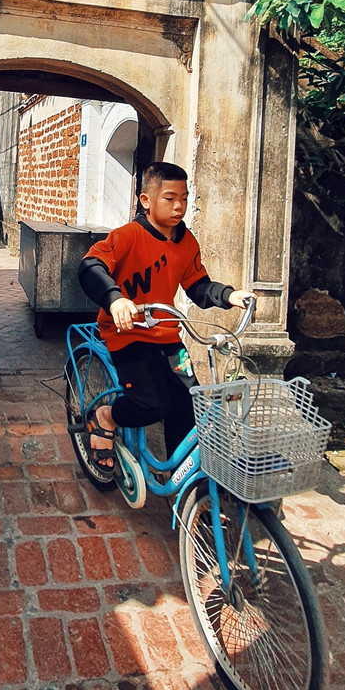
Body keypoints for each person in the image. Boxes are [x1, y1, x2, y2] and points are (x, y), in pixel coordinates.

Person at [77, 161, 254, 467]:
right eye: (170, 198)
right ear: (146, 200)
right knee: (152, 404)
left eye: (184, 198)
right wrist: (115, 300)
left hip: (167, 334)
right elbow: (90, 266)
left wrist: (228, 295)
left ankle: (181, 474)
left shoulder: (186, 242)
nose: (179, 206)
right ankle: (106, 416)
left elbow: (197, 285)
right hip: (126, 334)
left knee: (188, 402)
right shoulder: (128, 236)